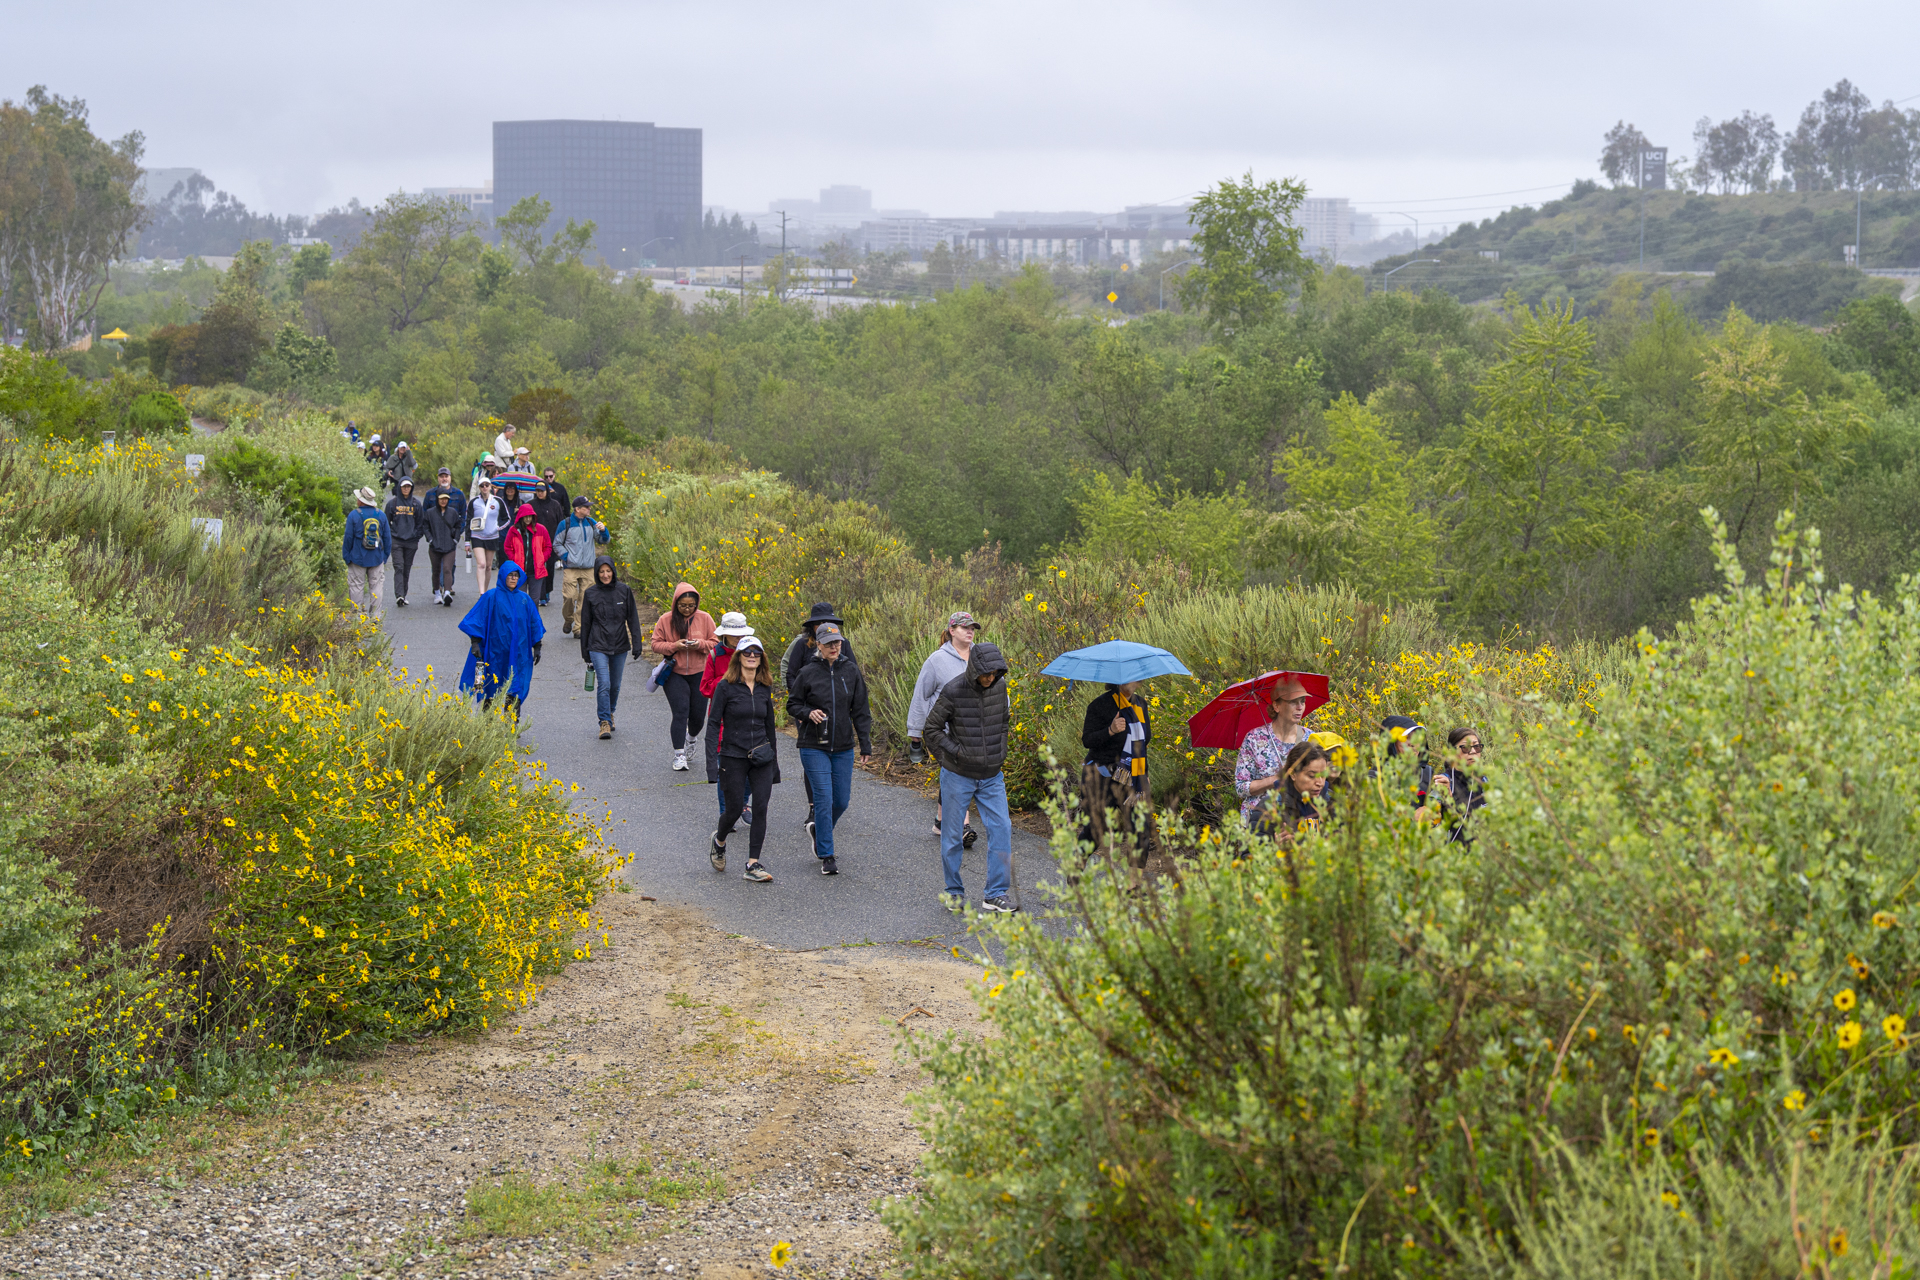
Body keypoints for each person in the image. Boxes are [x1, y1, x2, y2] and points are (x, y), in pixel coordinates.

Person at [921, 643, 1017, 912]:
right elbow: (932, 729)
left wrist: (1000, 751)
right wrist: (956, 753)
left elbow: (1004, 721)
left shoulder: (999, 687)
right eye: (986, 673)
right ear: (974, 669)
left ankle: (995, 894)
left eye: (995, 673)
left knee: (1002, 828)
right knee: (952, 836)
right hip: (957, 775)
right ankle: (954, 892)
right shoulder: (953, 690)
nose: (990, 678)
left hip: (991, 775)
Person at [786, 623, 871, 875]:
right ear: (818, 645)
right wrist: (807, 712)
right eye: (829, 643)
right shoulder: (808, 672)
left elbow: (861, 710)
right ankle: (827, 854)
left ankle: (819, 830)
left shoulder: (851, 671)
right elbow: (793, 704)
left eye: (838, 642)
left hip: (843, 746)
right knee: (823, 797)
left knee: (841, 801)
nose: (835, 647)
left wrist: (865, 743)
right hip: (813, 745)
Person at [709, 636, 781, 884]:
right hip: (732, 756)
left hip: (761, 757)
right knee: (734, 809)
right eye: (747, 652)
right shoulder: (725, 686)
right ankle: (719, 841)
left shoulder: (764, 687)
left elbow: (770, 726)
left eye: (757, 653)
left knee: (761, 807)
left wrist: (775, 764)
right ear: (738, 656)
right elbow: (712, 724)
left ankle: (752, 864)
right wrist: (712, 764)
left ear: (762, 659)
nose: (752, 656)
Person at [906, 611, 980, 848]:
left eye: (972, 628)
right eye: (964, 627)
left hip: (971, 730)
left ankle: (940, 822)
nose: (970, 631)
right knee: (959, 772)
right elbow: (921, 695)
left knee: (952, 773)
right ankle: (961, 826)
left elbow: (996, 688)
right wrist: (915, 732)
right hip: (941, 730)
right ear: (951, 630)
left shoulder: (980, 656)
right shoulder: (936, 660)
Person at [783, 602, 855, 828]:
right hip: (808, 709)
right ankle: (815, 805)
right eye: (820, 622)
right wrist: (803, 705)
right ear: (812, 626)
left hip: (835, 709)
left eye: (829, 622)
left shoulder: (843, 645)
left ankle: (829, 805)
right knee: (813, 757)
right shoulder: (802, 644)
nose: (824, 625)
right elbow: (791, 673)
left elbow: (851, 672)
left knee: (834, 757)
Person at [1079, 677, 1159, 873]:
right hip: (1103, 776)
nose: (1135, 683)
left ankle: (1134, 885)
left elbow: (1142, 743)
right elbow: (1088, 740)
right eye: (1131, 679)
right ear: (1118, 681)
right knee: (1096, 830)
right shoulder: (1100, 705)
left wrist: (1144, 774)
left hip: (1133, 778)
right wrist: (1111, 730)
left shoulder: (1140, 704)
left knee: (1140, 828)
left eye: (1137, 679)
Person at [459, 558, 544, 721]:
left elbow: (534, 622)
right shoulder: (491, 597)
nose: (513, 578)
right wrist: (475, 643)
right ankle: (487, 720)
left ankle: (511, 719)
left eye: (516, 575)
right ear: (503, 576)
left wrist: (537, 645)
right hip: (494, 652)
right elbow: (478, 619)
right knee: (489, 685)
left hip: (518, 652)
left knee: (515, 683)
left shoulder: (524, 600)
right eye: (510, 575)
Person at [650, 583, 718, 770]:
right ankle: (679, 755)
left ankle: (691, 738)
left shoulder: (705, 618)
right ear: (675, 603)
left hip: (700, 673)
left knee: (697, 717)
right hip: (674, 673)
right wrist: (674, 646)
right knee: (680, 711)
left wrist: (700, 644)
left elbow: (715, 643)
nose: (687, 609)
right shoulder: (666, 619)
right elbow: (655, 644)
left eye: (691, 605)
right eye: (683, 606)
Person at [1232, 676, 1318, 823]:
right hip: (1259, 823)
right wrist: (1275, 779)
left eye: (1302, 701)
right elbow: (1241, 787)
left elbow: (1320, 781)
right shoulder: (1254, 739)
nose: (1299, 707)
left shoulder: (1311, 739)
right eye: (1293, 702)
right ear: (1276, 706)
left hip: (1298, 823)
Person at [575, 555, 643, 739]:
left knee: (615, 686)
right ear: (597, 574)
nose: (605, 575)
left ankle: (610, 711)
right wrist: (585, 652)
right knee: (604, 684)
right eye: (601, 572)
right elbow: (586, 624)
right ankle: (604, 722)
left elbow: (633, 619)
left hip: (620, 645)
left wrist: (637, 643)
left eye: (608, 571)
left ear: (613, 571)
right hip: (598, 644)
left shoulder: (624, 591)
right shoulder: (591, 594)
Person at [703, 613, 757, 820]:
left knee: (754, 767)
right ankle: (726, 814)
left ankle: (742, 803)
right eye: (734, 635)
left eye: (741, 634)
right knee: (725, 771)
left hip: (749, 721)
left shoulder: (752, 654)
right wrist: (726, 682)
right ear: (724, 634)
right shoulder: (714, 655)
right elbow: (705, 688)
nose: (737, 638)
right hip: (723, 722)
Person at [554, 496, 611, 635]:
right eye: (586, 506)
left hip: (588, 568)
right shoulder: (565, 524)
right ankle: (568, 620)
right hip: (571, 568)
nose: (589, 508)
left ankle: (578, 628)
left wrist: (604, 531)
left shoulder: (591, 523)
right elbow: (556, 543)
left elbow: (604, 541)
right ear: (577, 509)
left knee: (585, 600)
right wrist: (567, 557)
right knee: (569, 597)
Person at [341, 486, 391, 621]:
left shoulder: (354, 515)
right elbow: (387, 538)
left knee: (357, 586)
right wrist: (384, 556)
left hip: (357, 558)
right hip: (376, 558)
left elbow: (348, 538)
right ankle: (375, 616)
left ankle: (358, 617)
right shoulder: (381, 514)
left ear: (361, 500)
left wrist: (347, 556)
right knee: (376, 587)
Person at [1432, 727, 1489, 843]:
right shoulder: (1443, 782)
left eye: (1476, 746)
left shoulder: (1485, 782)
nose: (1473, 751)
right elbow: (1432, 825)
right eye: (1466, 747)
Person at [1268, 741, 1331, 840]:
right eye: (1311, 776)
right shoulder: (1272, 806)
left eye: (1323, 775)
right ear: (1293, 774)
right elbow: (1249, 853)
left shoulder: (1331, 802)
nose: (1320, 783)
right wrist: (1276, 848)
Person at [501, 504, 553, 606]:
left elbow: (548, 547)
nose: (528, 519)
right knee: (520, 601)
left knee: (534, 601)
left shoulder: (541, 529)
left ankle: (533, 622)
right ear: (521, 516)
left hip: (536, 571)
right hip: (519, 572)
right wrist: (514, 560)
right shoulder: (513, 530)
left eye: (530, 516)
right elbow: (507, 547)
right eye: (526, 516)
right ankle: (521, 621)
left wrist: (542, 559)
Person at [384, 476, 424, 607]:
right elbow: (386, 522)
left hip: (411, 542)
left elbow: (420, 523)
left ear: (411, 488)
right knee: (399, 567)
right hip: (396, 541)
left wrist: (416, 536)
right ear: (400, 488)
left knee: (406, 568)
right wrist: (391, 535)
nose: (406, 489)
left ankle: (404, 595)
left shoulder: (416, 504)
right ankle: (399, 595)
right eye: (404, 486)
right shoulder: (392, 503)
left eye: (408, 487)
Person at [528, 482, 567, 605]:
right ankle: (540, 595)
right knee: (537, 567)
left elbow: (561, 523)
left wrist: (562, 540)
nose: (540, 493)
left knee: (549, 568)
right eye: (538, 491)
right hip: (535, 541)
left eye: (542, 490)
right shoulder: (531, 505)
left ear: (547, 491)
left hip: (551, 541)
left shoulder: (555, 505)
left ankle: (547, 592)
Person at [423, 488, 464, 606]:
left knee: (447, 568)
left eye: (446, 499)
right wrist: (430, 539)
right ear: (437, 499)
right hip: (435, 546)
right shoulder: (430, 513)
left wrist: (455, 539)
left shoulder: (453, 512)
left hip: (449, 546)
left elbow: (458, 525)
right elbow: (425, 526)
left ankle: (447, 592)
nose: (443, 501)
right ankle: (437, 593)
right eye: (441, 499)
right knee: (436, 570)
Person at [467, 478, 508, 594]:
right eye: (482, 486)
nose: (484, 487)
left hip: (492, 536)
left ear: (490, 487)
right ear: (479, 488)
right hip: (477, 536)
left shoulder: (497, 501)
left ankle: (485, 590)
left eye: (486, 485)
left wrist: (497, 527)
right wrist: (466, 541)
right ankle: (481, 593)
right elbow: (468, 521)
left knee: (489, 566)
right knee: (481, 564)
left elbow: (507, 518)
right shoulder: (474, 502)